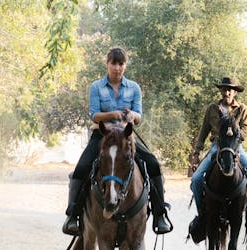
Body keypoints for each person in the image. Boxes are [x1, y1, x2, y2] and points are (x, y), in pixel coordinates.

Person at [61, 46, 173, 236]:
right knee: (82, 168)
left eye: (121, 64)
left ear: (125, 66)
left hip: (125, 138)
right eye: (113, 63)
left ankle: (160, 213)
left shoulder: (134, 88)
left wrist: (132, 116)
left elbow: (139, 115)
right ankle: (73, 215)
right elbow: (94, 115)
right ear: (107, 64)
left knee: (153, 164)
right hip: (102, 136)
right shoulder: (96, 87)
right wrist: (112, 114)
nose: (117, 68)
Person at [188, 75, 247, 239]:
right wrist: (196, 153)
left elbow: (245, 130)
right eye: (224, 89)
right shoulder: (212, 109)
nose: (227, 92)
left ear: (235, 92)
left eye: (230, 89)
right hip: (217, 145)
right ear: (221, 91)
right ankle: (202, 214)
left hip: (235, 146)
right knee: (195, 180)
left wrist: (234, 135)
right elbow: (203, 132)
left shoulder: (242, 109)